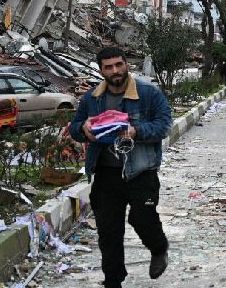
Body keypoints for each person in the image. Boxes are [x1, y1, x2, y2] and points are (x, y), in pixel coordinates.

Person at [69, 47, 172, 288]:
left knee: (142, 219)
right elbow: (75, 126)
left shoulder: (148, 93)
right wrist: (83, 129)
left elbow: (164, 124)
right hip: (106, 172)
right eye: (109, 67)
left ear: (126, 64)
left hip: (140, 171)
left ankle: (158, 248)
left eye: (118, 65)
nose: (115, 71)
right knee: (108, 231)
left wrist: (137, 131)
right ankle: (113, 280)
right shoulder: (92, 98)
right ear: (101, 70)